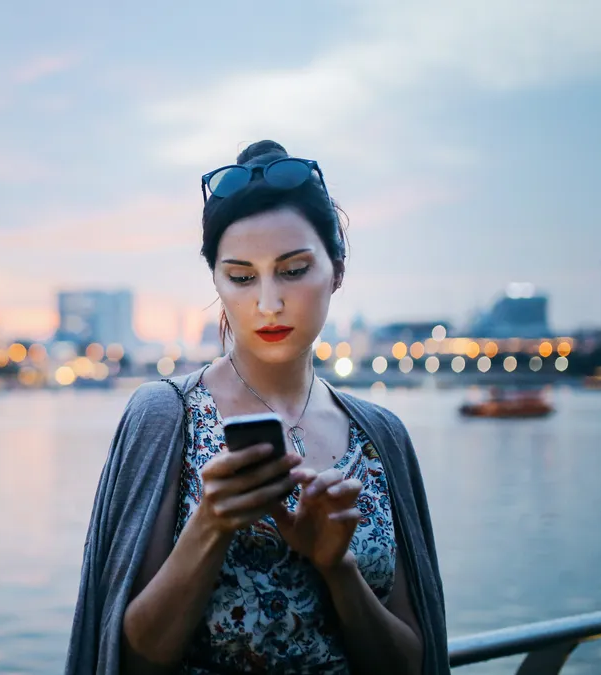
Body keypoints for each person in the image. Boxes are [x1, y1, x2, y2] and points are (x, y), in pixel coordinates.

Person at [64, 140, 448, 674]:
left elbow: (413, 664)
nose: (268, 303)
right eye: (242, 277)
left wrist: (339, 568)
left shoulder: (380, 436)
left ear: (336, 270)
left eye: (293, 270)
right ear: (217, 282)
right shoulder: (165, 417)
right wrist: (211, 525)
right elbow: (125, 660)